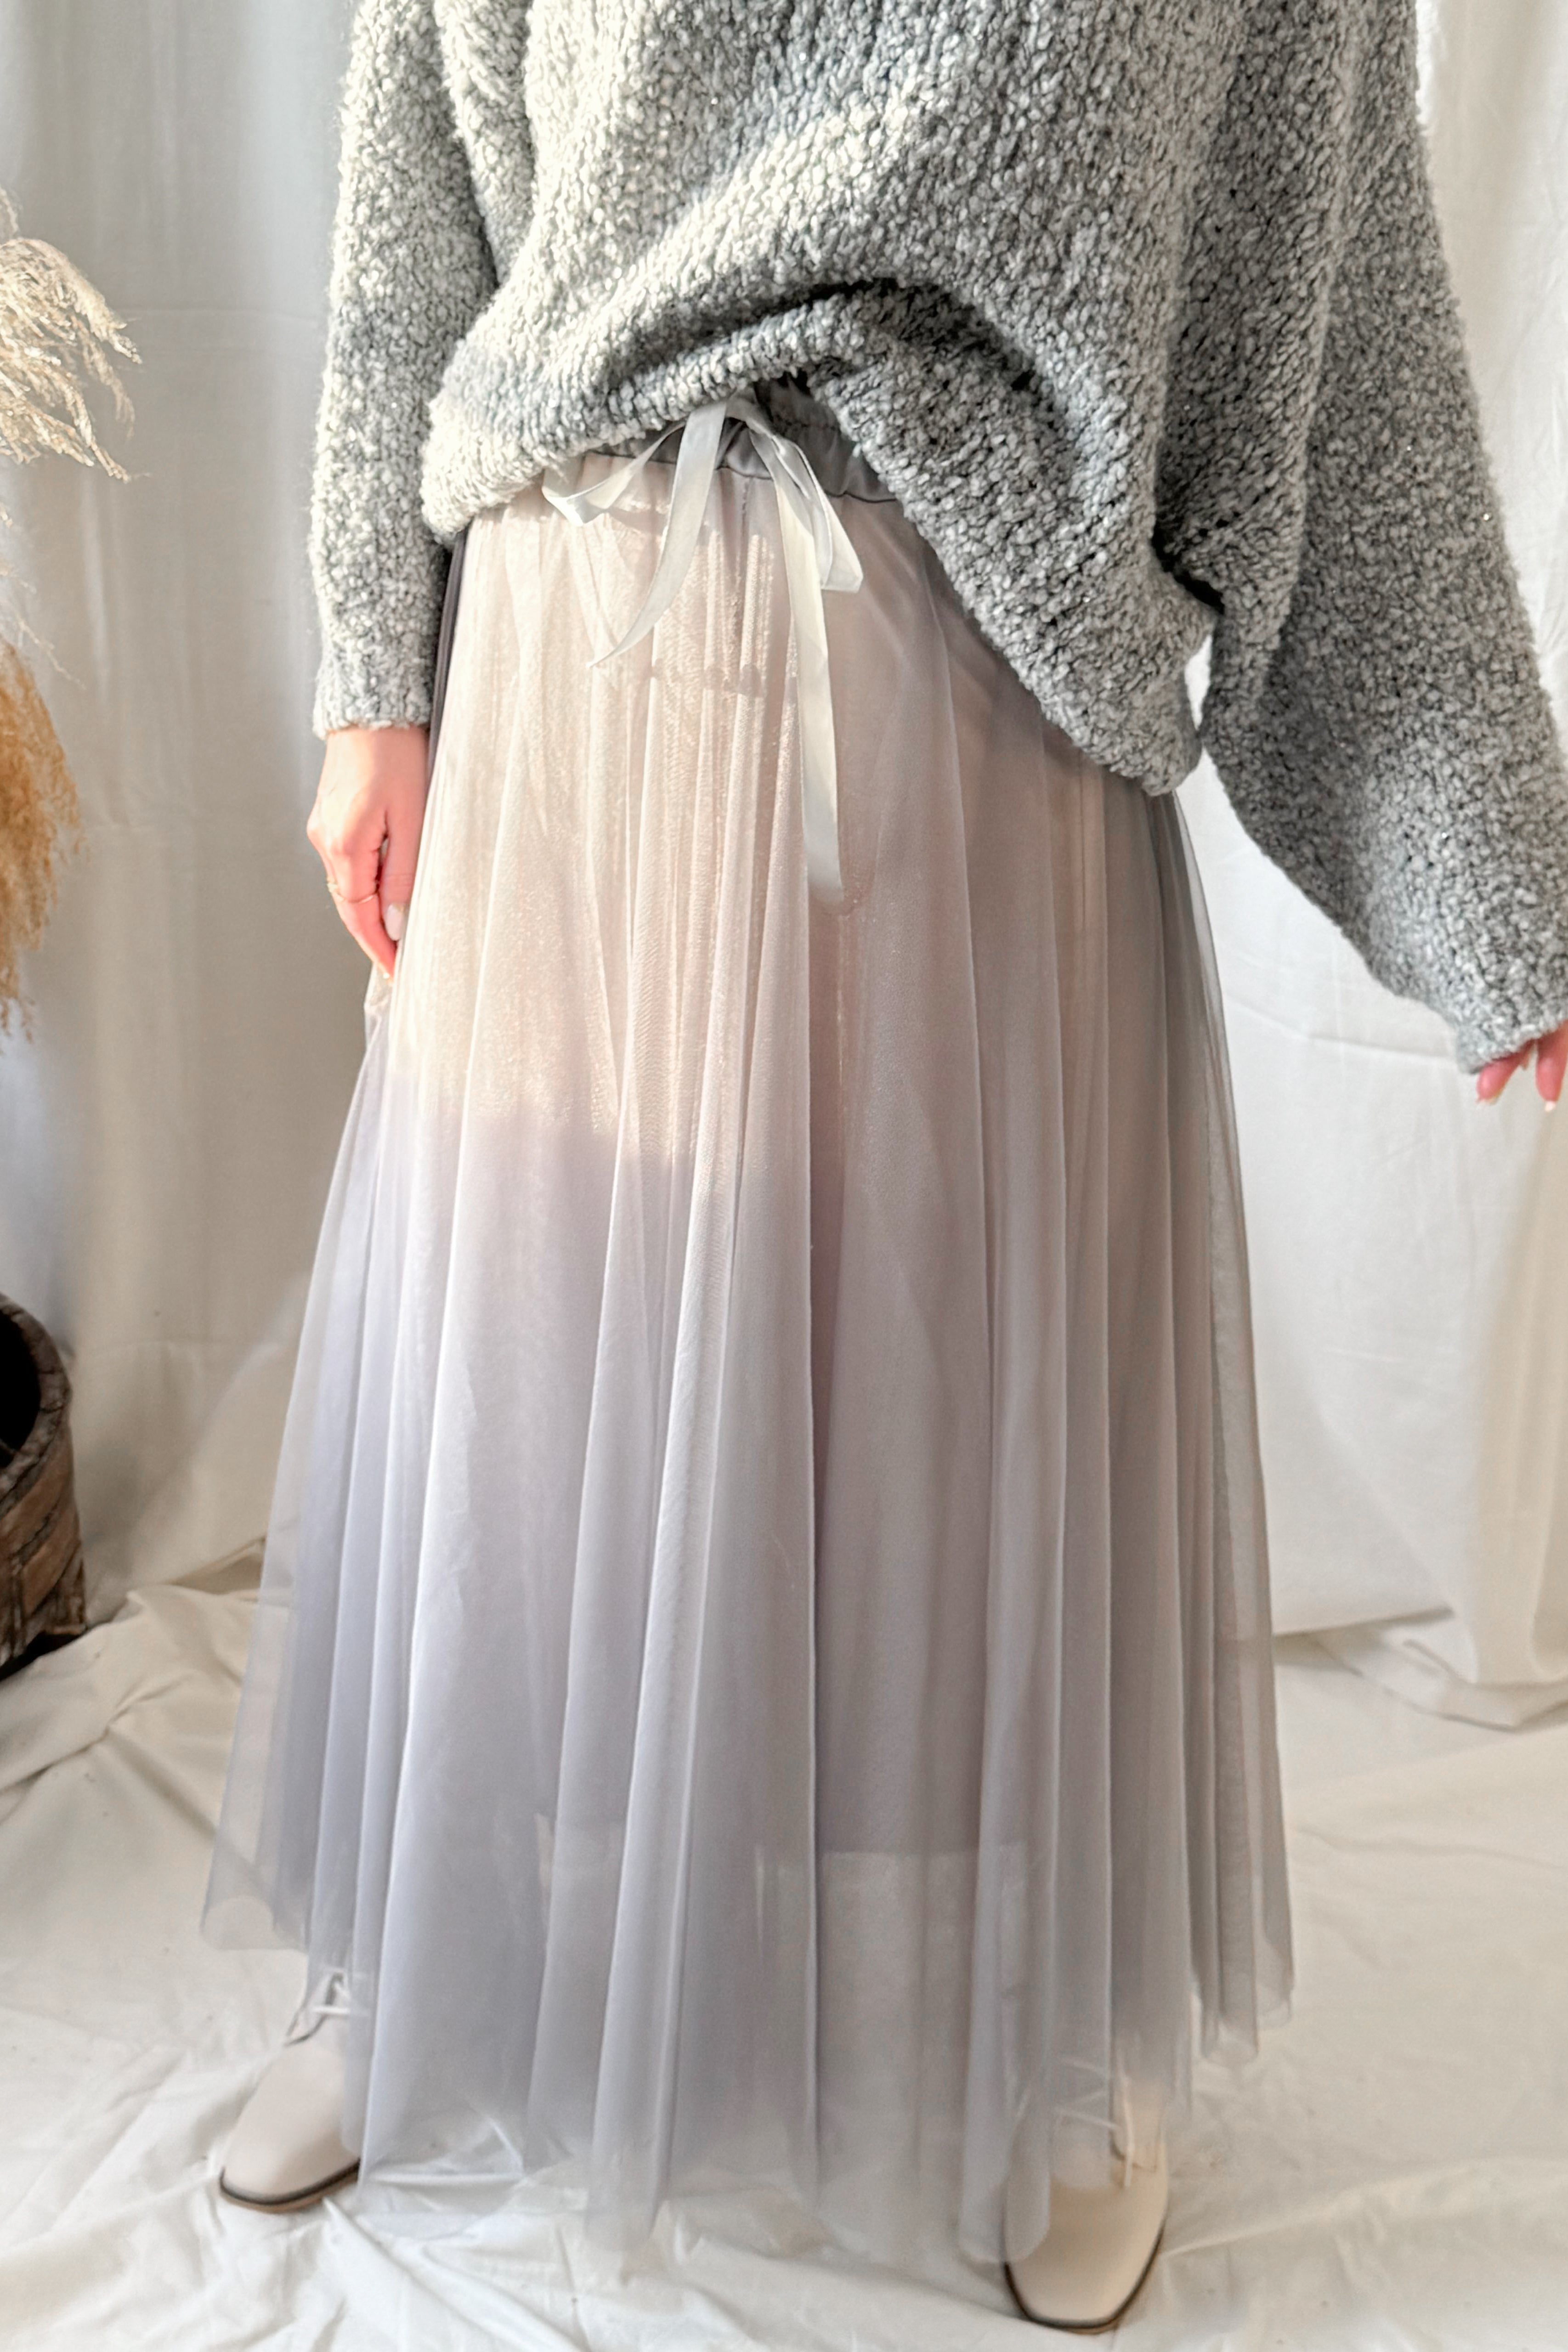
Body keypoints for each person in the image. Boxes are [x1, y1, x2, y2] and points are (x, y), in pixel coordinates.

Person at [202, 0, 1568, 2330]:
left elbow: (1335, 352)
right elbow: (418, 167)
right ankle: (426, 1939)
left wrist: (1489, 883)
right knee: (527, 1347)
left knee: (971, 1411)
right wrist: (372, 675)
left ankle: (1059, 2035)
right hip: (576, 649)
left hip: (988, 710)